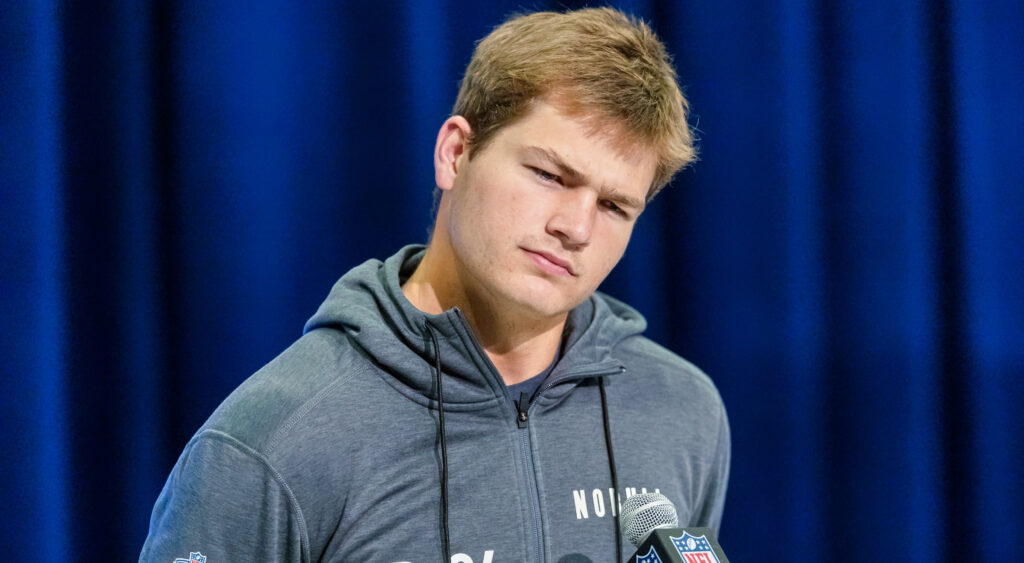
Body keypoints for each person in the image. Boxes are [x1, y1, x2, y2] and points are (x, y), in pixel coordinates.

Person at [140, 7, 729, 563]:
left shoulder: (680, 408)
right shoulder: (274, 440)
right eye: (550, 175)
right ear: (455, 152)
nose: (574, 227)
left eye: (615, 206)